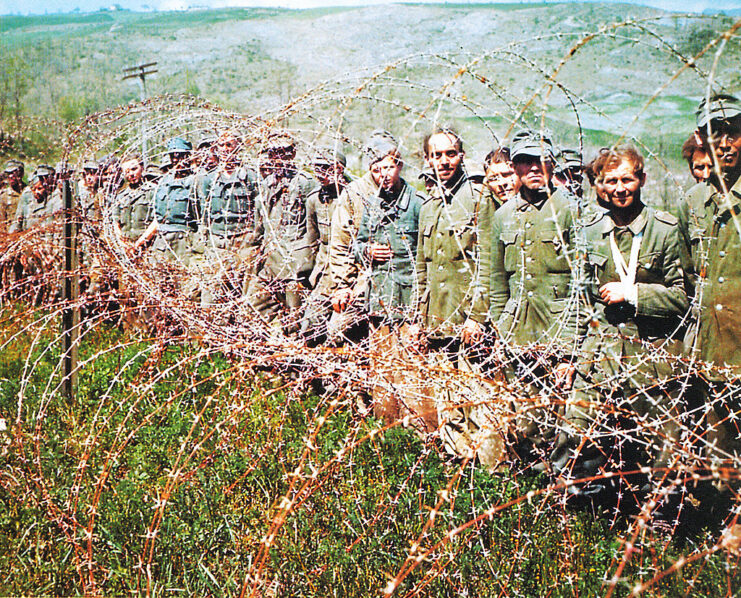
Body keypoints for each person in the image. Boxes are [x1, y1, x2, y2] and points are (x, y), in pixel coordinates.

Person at [551, 146, 688, 517]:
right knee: (577, 440)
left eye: (627, 179)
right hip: (600, 355)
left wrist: (636, 294)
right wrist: (569, 355)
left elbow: (685, 298)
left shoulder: (665, 229)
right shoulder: (590, 231)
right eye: (610, 181)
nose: (620, 188)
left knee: (659, 448)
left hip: (652, 357)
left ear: (642, 179)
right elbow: (579, 299)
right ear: (598, 187)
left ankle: (660, 526)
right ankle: (580, 521)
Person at [483, 129, 583, 470]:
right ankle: (533, 494)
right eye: (526, 162)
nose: (534, 169)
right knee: (527, 423)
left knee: (565, 427)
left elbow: (582, 283)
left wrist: (571, 348)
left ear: (552, 165)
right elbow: (497, 279)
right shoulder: (503, 216)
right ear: (515, 167)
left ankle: (563, 496)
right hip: (519, 335)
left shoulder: (571, 211)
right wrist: (501, 327)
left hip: (559, 333)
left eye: (541, 161)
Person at [352, 139, 430, 428]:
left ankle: (422, 433)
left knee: (413, 371)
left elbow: (427, 257)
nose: (383, 174)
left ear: (400, 166)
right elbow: (357, 243)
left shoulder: (419, 205)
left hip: (409, 302)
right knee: (383, 370)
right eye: (376, 169)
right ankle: (387, 428)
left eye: (389, 167)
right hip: (379, 300)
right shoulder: (371, 205)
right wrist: (367, 251)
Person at [681, 93, 741, 473]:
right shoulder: (692, 202)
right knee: (721, 458)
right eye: (714, 133)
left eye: (733, 132)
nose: (724, 142)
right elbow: (686, 278)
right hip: (710, 349)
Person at [244, 133, 317, 334]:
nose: (278, 158)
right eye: (273, 153)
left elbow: (315, 223)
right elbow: (261, 224)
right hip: (270, 261)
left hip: (295, 263)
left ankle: (296, 361)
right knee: (253, 308)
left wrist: (309, 259)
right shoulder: (266, 183)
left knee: (294, 319)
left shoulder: (305, 183)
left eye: (283, 153)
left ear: (292, 154)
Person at [197, 131, 260, 304]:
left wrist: (251, 239)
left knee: (244, 294)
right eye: (221, 145)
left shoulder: (251, 176)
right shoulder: (210, 179)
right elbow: (205, 212)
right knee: (211, 294)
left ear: (238, 147)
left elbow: (258, 210)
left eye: (229, 145)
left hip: (243, 242)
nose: (225, 149)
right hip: (217, 242)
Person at [299, 145, 351, 344]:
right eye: (317, 168)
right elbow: (312, 241)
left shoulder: (354, 195)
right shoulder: (314, 200)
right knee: (311, 326)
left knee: (343, 330)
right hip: (324, 272)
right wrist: (305, 272)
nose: (320, 174)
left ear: (339, 168)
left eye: (326, 168)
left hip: (348, 269)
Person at [138, 137, 201, 267]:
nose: (177, 160)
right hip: (161, 244)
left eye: (181, 156)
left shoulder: (196, 182)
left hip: (184, 244)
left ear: (189, 156)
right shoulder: (164, 183)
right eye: (173, 156)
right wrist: (139, 243)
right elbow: (157, 219)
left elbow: (202, 220)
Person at [111, 153, 154, 245]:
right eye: (127, 172)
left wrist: (139, 243)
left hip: (148, 245)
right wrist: (122, 244)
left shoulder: (153, 191)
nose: (131, 174)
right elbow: (115, 222)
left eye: (134, 169)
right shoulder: (121, 196)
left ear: (142, 168)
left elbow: (157, 221)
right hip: (126, 246)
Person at [0, 160, 25, 234]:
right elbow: (2, 223)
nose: (11, 176)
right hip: (12, 236)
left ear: (21, 174)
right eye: (9, 173)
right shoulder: (4, 196)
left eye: (14, 173)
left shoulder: (30, 192)